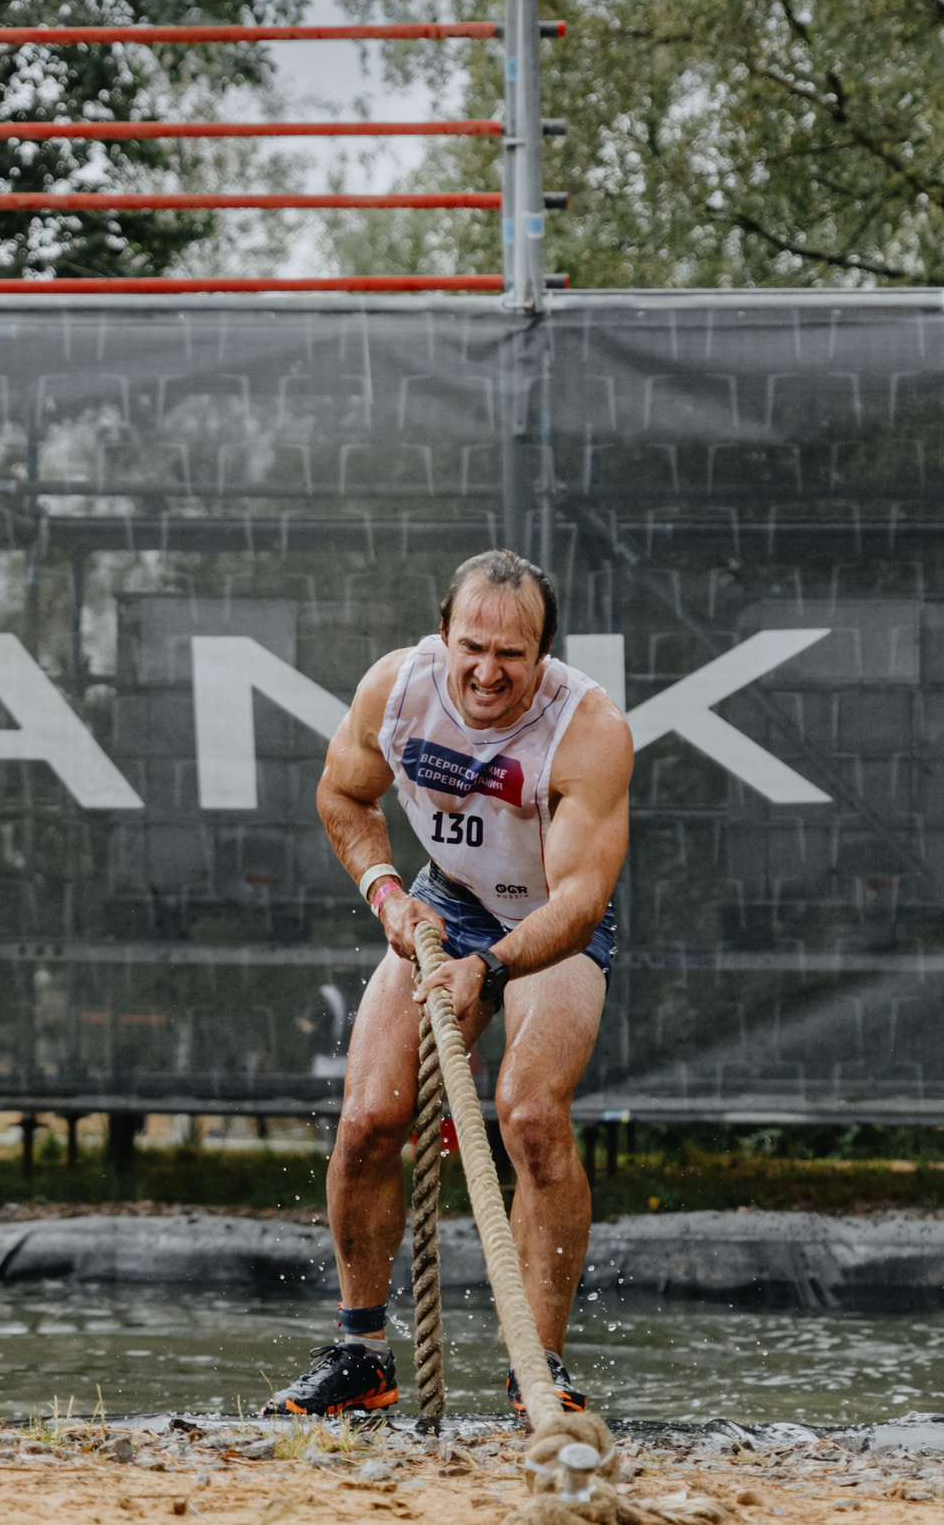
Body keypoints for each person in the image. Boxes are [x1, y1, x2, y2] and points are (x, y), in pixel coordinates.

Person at [264, 551, 633, 1417]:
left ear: (542, 653)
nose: (487, 671)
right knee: (366, 1121)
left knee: (531, 1118)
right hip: (444, 899)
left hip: (544, 920)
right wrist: (385, 893)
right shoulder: (397, 689)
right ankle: (363, 1354)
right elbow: (342, 794)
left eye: (513, 654)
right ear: (443, 633)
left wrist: (493, 966)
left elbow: (581, 898)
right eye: (473, 645)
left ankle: (536, 1371)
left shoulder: (588, 726)